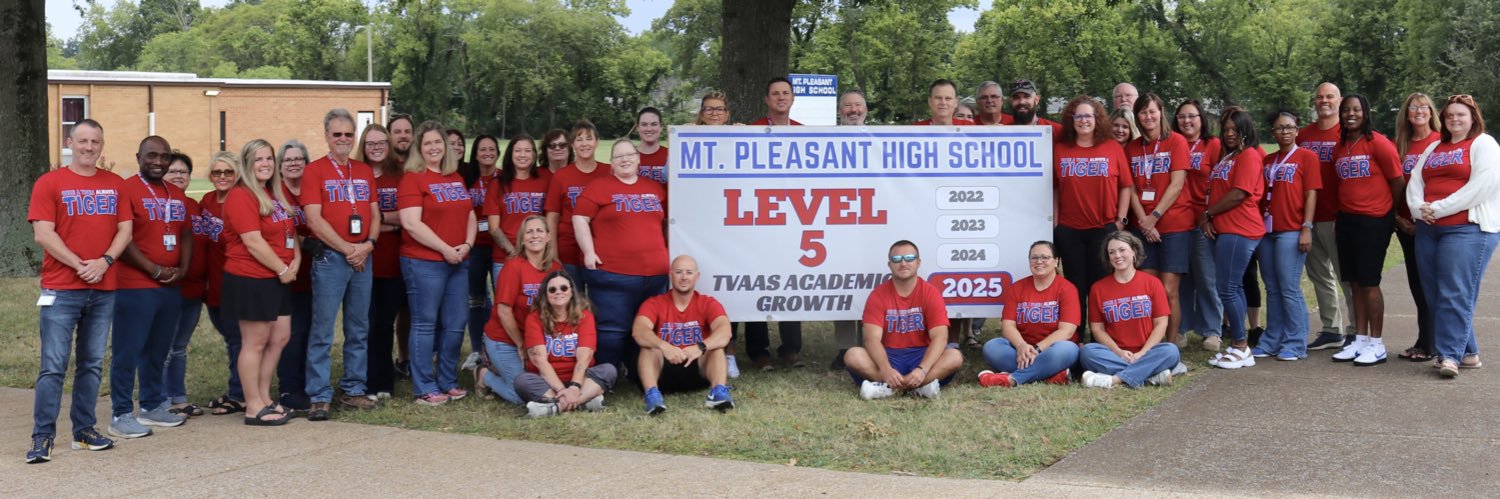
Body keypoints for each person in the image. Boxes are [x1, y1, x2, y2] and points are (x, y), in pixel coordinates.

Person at [25, 119, 128, 463]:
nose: (88, 147)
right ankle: (42, 437)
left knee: (92, 364)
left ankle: (83, 431)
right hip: (62, 288)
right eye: (82, 140)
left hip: (103, 288)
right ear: (70, 142)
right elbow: (43, 233)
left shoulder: (115, 184)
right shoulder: (49, 182)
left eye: (95, 141)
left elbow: (125, 230)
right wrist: (79, 264)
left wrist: (105, 261)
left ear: (102, 144)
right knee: (53, 366)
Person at [1408, 94, 1500, 377]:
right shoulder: (1435, 146)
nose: (1454, 119)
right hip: (1429, 229)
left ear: (1473, 117)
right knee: (1435, 295)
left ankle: (1449, 356)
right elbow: (1415, 180)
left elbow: (1482, 186)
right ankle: (1468, 352)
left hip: (1466, 230)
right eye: (1449, 115)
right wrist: (1417, 207)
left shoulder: (1483, 143)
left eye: (1461, 114)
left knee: (1455, 293)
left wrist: (1438, 207)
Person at [110, 135, 192, 438]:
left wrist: (182, 267)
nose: (158, 162)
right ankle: (120, 413)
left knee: (158, 350)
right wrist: (153, 269)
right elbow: (123, 238)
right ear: (139, 157)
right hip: (135, 284)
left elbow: (184, 232)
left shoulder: (175, 193)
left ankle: (152, 405)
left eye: (164, 157)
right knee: (127, 351)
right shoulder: (126, 189)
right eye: (151, 156)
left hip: (170, 285)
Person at [300, 108, 380, 419]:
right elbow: (313, 219)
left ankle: (353, 389)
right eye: (337, 134)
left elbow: (374, 213)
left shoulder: (362, 171)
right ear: (327, 136)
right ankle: (319, 394)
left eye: (348, 133)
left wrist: (368, 246)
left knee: (359, 328)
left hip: (363, 257)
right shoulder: (315, 171)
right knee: (323, 330)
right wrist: (349, 249)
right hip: (333, 259)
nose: (343, 139)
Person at [574, 140, 670, 374]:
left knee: (649, 328)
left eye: (629, 155)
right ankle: (606, 377)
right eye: (618, 157)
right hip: (613, 274)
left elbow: (669, 222)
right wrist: (589, 251)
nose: (625, 159)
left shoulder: (655, 188)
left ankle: (642, 373)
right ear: (612, 163)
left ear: (638, 159)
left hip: (656, 275)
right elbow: (579, 218)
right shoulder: (599, 187)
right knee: (612, 332)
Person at [399, 121, 478, 405]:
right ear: (420, 149)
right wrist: (445, 249)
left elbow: (469, 214)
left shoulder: (454, 176)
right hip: (424, 262)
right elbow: (410, 223)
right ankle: (424, 387)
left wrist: (466, 245)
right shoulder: (413, 178)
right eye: (428, 143)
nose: (434, 147)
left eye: (438, 142)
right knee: (425, 324)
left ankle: (447, 380)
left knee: (456, 323)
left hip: (458, 260)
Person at [223, 139, 299, 426]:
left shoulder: (274, 194)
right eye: (258, 159)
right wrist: (282, 269)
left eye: (269, 158)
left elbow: (289, 232)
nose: (265, 164)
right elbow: (253, 242)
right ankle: (253, 405)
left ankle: (265, 398)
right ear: (246, 164)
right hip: (251, 278)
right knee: (254, 342)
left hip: (279, 276)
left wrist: (295, 263)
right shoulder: (241, 195)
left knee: (279, 338)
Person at [1329, 94, 1403, 366]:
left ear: (1365, 112)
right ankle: (1359, 340)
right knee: (1355, 282)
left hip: (1374, 220)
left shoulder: (1379, 144)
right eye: (1346, 110)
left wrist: (1390, 213)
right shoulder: (1341, 146)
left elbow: (1397, 182)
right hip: (1347, 220)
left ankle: (1377, 344)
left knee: (1370, 282)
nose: (1350, 114)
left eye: (1356, 109)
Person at [843, 240, 965, 400]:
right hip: (888, 355)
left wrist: (922, 369)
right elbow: (871, 339)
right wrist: (886, 370)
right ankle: (918, 388)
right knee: (852, 355)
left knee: (955, 356)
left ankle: (888, 388)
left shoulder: (931, 293)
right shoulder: (878, 295)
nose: (903, 263)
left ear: (918, 262)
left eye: (909, 258)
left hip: (921, 354)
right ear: (889, 264)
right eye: (896, 259)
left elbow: (940, 337)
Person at [1053, 96, 1133, 329]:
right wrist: (1057, 221)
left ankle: (1102, 338)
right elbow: (1055, 188)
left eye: (1088, 115)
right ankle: (1075, 338)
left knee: (1101, 287)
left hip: (1104, 229)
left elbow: (1125, 187)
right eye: (1079, 116)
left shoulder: (1112, 147)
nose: (1083, 120)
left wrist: (1120, 221)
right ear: (1072, 119)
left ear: (1097, 119)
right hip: (1070, 230)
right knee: (1075, 286)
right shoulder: (1060, 150)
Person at [1200, 107, 1267, 369]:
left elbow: (1240, 193)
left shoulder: (1248, 156)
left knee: (1227, 288)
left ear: (1245, 131)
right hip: (1226, 228)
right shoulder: (1229, 157)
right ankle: (1238, 346)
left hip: (1240, 229)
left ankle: (1240, 346)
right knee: (1233, 287)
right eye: (1226, 129)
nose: (1229, 134)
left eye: (1234, 130)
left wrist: (1207, 213)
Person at [1126, 93, 1193, 346]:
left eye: (1152, 111)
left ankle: (1171, 343)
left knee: (1168, 291)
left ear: (1161, 112)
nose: (1148, 117)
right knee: (1148, 292)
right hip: (1141, 227)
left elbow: (1177, 185)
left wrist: (1154, 217)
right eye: (1143, 113)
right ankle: (1150, 343)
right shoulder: (1132, 147)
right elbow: (1129, 187)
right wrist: (1144, 220)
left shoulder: (1176, 142)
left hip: (1174, 225)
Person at [1256, 112, 1322, 361]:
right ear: (1272, 132)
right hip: (1266, 230)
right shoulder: (1268, 159)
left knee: (1288, 287)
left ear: (1297, 130)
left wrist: (1307, 227)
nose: (1284, 132)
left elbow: (1311, 194)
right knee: (1271, 288)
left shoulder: (1307, 157)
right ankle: (1273, 338)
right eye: (1279, 128)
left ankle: (1295, 343)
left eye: (1289, 127)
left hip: (1291, 230)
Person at [634, 255, 735, 414]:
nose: (684, 277)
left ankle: (718, 392)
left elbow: (725, 332)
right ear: (670, 274)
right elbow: (639, 331)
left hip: (696, 368)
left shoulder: (708, 302)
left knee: (716, 348)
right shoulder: (654, 303)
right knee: (648, 347)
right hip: (663, 370)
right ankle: (652, 395)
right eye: (679, 272)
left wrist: (700, 347)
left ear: (697, 276)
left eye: (689, 272)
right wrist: (664, 346)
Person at [1079, 231, 1180, 388]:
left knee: (1171, 351)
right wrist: (1119, 352)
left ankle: (1114, 380)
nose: (1117, 256)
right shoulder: (1098, 288)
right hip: (1114, 354)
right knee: (1087, 352)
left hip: (1148, 351)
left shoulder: (1152, 283)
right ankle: (1150, 376)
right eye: (1111, 252)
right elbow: (1097, 329)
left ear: (1134, 250)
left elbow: (1161, 323)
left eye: (1122, 250)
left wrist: (1143, 353)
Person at [1299, 82, 1357, 350]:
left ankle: (1356, 329)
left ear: (1340, 100)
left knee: (1346, 275)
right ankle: (1332, 329)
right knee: (1320, 276)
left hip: (1337, 216)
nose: (1325, 101)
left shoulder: (1347, 133)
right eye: (1320, 97)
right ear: (1314, 102)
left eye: (1330, 96)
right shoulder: (1303, 135)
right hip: (1309, 217)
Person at [480, 215, 561, 404]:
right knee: (522, 396)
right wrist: (521, 344)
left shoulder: (555, 268)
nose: (534, 236)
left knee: (547, 386)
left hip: (537, 340)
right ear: (522, 239)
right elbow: (503, 311)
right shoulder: (513, 266)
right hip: (506, 339)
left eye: (539, 231)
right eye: (529, 232)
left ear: (548, 237)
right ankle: (484, 375)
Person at [977, 241, 1081, 387]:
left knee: (1068, 349)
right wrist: (1021, 346)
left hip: (1053, 350)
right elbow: (1008, 326)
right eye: (1034, 258)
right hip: (1021, 350)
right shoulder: (1017, 288)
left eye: (1045, 257)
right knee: (992, 346)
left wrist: (1037, 349)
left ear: (1056, 261)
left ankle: (1011, 379)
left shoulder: (1067, 289)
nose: (1039, 261)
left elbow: (1067, 331)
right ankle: (1049, 375)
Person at [515, 271, 616, 417]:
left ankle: (554, 408)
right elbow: (539, 361)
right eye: (552, 289)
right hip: (548, 382)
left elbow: (585, 357)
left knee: (608, 370)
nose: (558, 292)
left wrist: (574, 387)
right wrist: (562, 390)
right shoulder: (534, 318)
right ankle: (583, 402)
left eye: (563, 288)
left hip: (581, 379)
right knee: (522, 381)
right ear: (545, 294)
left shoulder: (585, 316)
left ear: (571, 292)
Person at [357, 123, 407, 396]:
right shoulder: (356, 174)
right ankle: (361, 379)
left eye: (381, 143)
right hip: (361, 261)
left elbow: (407, 217)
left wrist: (375, 218)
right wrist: (389, 221)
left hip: (392, 262)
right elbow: (351, 220)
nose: (375, 148)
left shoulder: (400, 175)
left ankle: (382, 381)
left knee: (384, 323)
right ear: (363, 146)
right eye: (370, 143)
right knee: (363, 324)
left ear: (388, 146)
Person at [1392, 93, 1441, 361]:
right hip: (1405, 226)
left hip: (1432, 225)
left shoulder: (1440, 142)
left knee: (1431, 284)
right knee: (1416, 284)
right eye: (1413, 107)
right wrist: (1397, 219)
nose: (1419, 111)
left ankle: (1432, 343)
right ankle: (1425, 340)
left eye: (1424, 107)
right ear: (1406, 113)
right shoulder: (1399, 145)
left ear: (1431, 111)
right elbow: (1391, 184)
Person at [1171, 99, 1224, 348]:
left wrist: (1212, 215)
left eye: (1192, 116)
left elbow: (1221, 183)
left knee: (1206, 276)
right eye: (1181, 117)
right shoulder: (1172, 143)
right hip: (1178, 219)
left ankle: (1212, 330)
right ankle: (1181, 328)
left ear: (1201, 119)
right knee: (1181, 277)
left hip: (1204, 220)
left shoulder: (1212, 145)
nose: (1187, 121)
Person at [200, 153, 246, 416]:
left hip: (236, 281)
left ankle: (239, 394)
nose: (222, 177)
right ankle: (237, 390)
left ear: (237, 174)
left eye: (228, 172)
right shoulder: (207, 200)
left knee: (237, 339)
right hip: (213, 282)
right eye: (217, 172)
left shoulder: (241, 200)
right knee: (230, 337)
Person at [161, 151, 205, 418]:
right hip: (169, 287)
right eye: (172, 171)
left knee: (179, 347)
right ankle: (160, 400)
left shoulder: (194, 205)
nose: (178, 176)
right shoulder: (160, 204)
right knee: (164, 347)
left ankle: (178, 397)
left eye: (183, 172)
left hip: (194, 289)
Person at [830, 88, 871, 368]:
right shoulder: (826, 139)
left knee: (873, 286)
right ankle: (845, 348)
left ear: (866, 109)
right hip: (839, 223)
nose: (853, 110)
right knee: (842, 283)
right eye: (847, 106)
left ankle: (871, 343)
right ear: (839, 110)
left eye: (858, 105)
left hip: (874, 222)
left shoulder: (881, 139)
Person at [274, 140, 315, 412]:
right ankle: (289, 387)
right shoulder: (275, 193)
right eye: (288, 159)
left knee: (312, 331)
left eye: (299, 159)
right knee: (292, 332)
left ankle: (308, 383)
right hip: (286, 273)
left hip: (315, 271)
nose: (293, 163)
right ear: (280, 165)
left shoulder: (313, 189)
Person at [545, 119, 611, 280]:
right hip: (569, 251)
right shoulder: (562, 176)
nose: (584, 144)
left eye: (589, 138)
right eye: (579, 139)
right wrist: (553, 253)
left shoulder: (609, 172)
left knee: (598, 303)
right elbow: (552, 218)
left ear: (597, 142)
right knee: (573, 302)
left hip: (602, 251)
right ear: (572, 145)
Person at [460, 134, 501, 373]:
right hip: (474, 245)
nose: (487, 153)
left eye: (491, 148)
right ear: (475, 154)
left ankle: (497, 350)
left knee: (501, 300)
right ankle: (477, 349)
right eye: (482, 149)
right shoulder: (468, 178)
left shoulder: (504, 178)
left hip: (498, 244)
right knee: (475, 299)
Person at [486, 134, 548, 269]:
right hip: (505, 258)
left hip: (537, 258)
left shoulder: (543, 183)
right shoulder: (497, 185)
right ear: (510, 154)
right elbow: (494, 228)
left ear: (534, 155)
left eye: (527, 151)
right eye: (518, 150)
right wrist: (514, 252)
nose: (523, 155)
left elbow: (549, 222)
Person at [635, 107, 669, 186]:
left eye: (654, 124)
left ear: (661, 127)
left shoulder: (671, 156)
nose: (649, 129)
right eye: (644, 124)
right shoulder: (627, 156)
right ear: (637, 128)